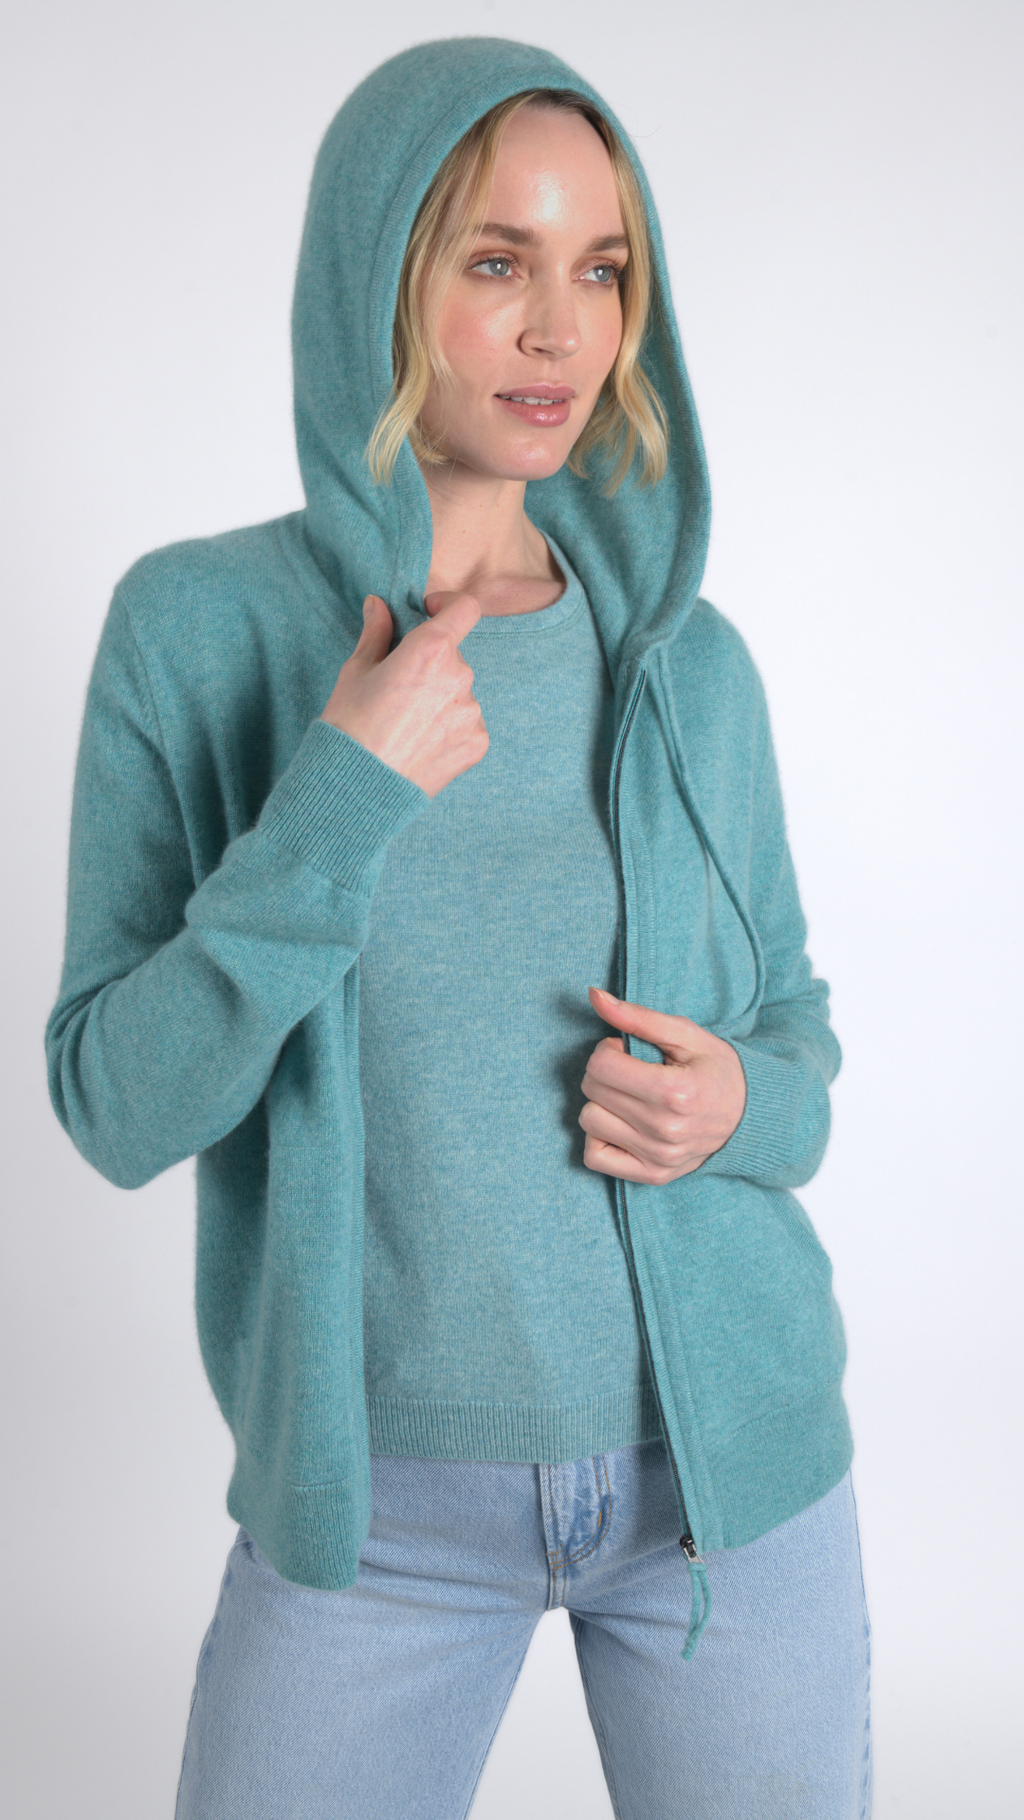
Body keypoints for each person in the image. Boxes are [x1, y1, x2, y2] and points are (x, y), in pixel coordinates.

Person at [46, 36, 871, 1820]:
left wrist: (738, 1105)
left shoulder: (692, 666)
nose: (562, 331)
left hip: (730, 1487)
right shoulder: (196, 630)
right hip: (377, 1519)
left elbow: (798, 1037)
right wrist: (337, 799)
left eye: (605, 270)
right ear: (382, 277)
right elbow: (112, 1104)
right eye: (500, 261)